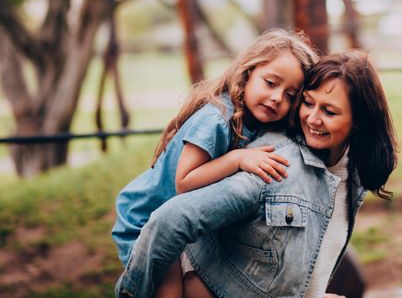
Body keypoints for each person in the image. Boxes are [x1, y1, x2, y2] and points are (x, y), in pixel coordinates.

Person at [115, 50, 398, 298]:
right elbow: (169, 221)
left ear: (359, 122)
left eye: (329, 111)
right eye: (308, 103)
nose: (312, 118)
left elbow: (284, 263)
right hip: (143, 224)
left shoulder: (353, 175)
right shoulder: (275, 164)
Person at [112, 28, 319, 297]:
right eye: (270, 83)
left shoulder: (256, 122)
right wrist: (237, 159)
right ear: (247, 73)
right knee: (169, 290)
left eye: (291, 95)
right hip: (145, 220)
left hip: (182, 225)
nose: (277, 97)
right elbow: (185, 181)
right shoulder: (217, 119)